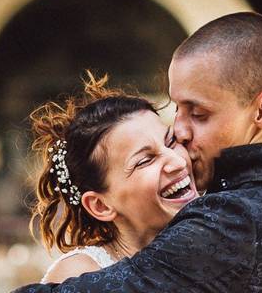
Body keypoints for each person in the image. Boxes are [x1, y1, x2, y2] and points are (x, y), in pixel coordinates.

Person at [13, 11, 262, 292]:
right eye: (177, 111)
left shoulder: (231, 221)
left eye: (198, 113)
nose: (180, 136)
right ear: (99, 204)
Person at [29, 73, 198, 283]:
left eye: (171, 141)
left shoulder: (212, 245)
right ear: (100, 205)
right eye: (145, 160)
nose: (178, 162)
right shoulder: (81, 275)